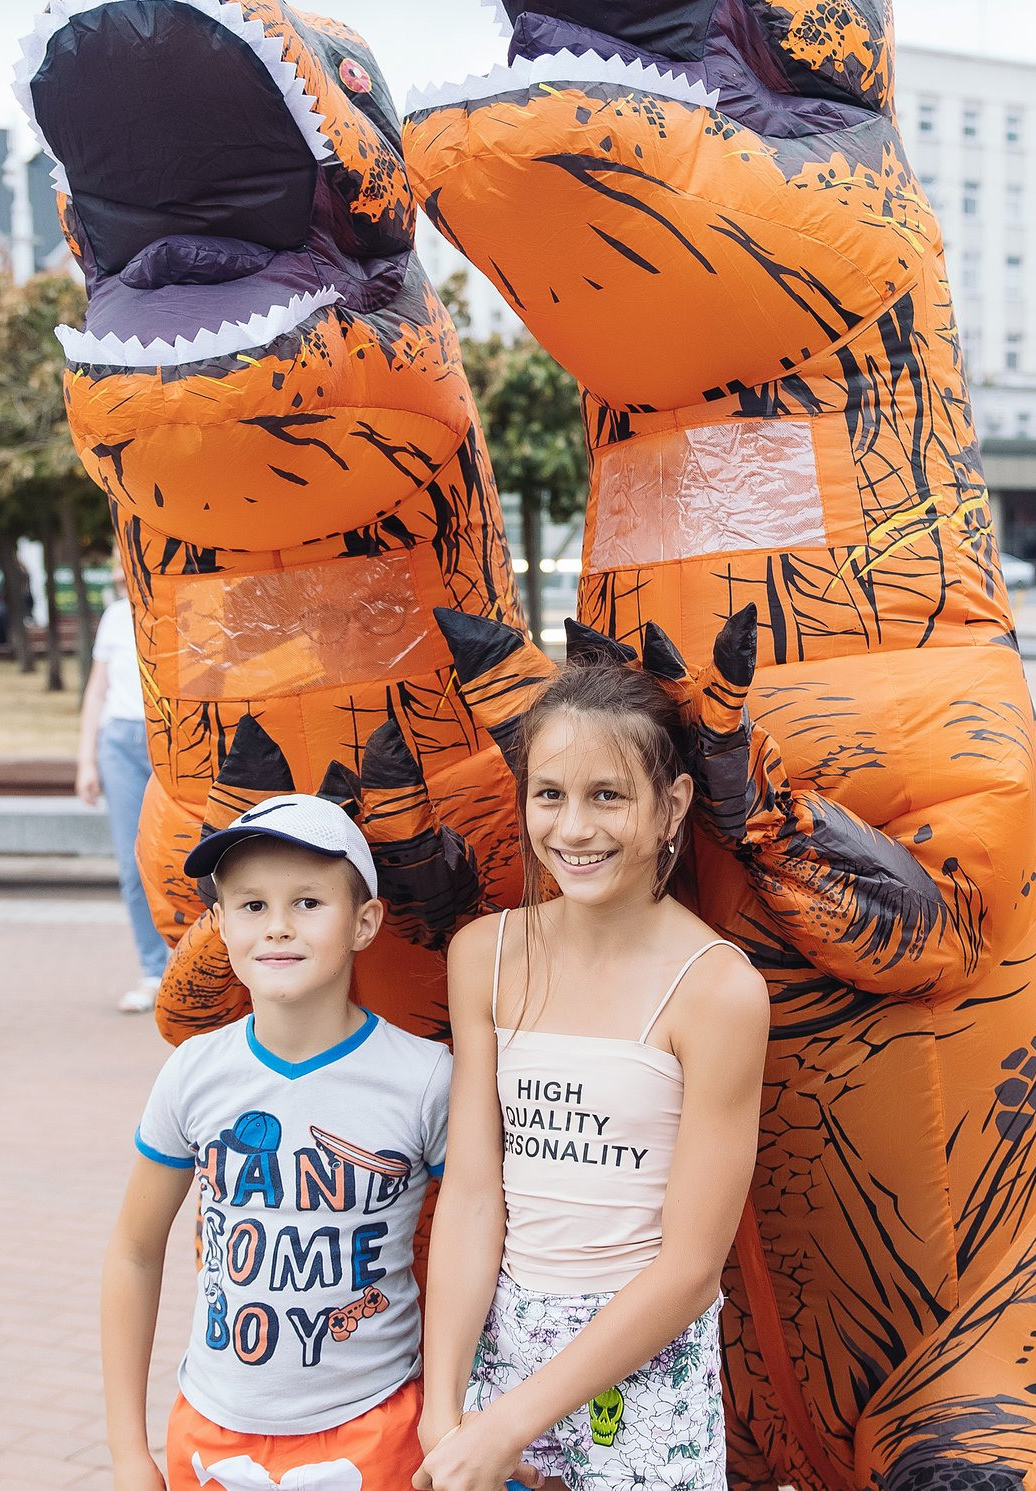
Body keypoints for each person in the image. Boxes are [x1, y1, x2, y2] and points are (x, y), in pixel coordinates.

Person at [418, 657, 768, 1491]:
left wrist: (510, 1423)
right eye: (550, 794)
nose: (573, 828)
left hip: (644, 1377)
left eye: (607, 794)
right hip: (498, 1358)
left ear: (671, 805)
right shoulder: (484, 957)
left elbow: (688, 1270)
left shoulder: (719, 990)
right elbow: (472, 1194)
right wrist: (446, 1405)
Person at [101, 793, 450, 1491]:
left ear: (364, 921)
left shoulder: (425, 1077)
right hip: (211, 1432)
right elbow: (134, 1252)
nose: (278, 927)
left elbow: (477, 1252)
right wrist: (126, 1450)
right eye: (252, 905)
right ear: (221, 924)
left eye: (308, 903)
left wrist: (452, 1412)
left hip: (374, 1430)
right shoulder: (194, 1073)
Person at [78, 566, 170, 1012]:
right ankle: (154, 971)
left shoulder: (177, 606)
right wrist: (85, 760)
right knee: (132, 864)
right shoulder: (114, 617)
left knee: (185, 855)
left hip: (172, 741)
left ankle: (206, 963)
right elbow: (96, 692)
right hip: (120, 743)